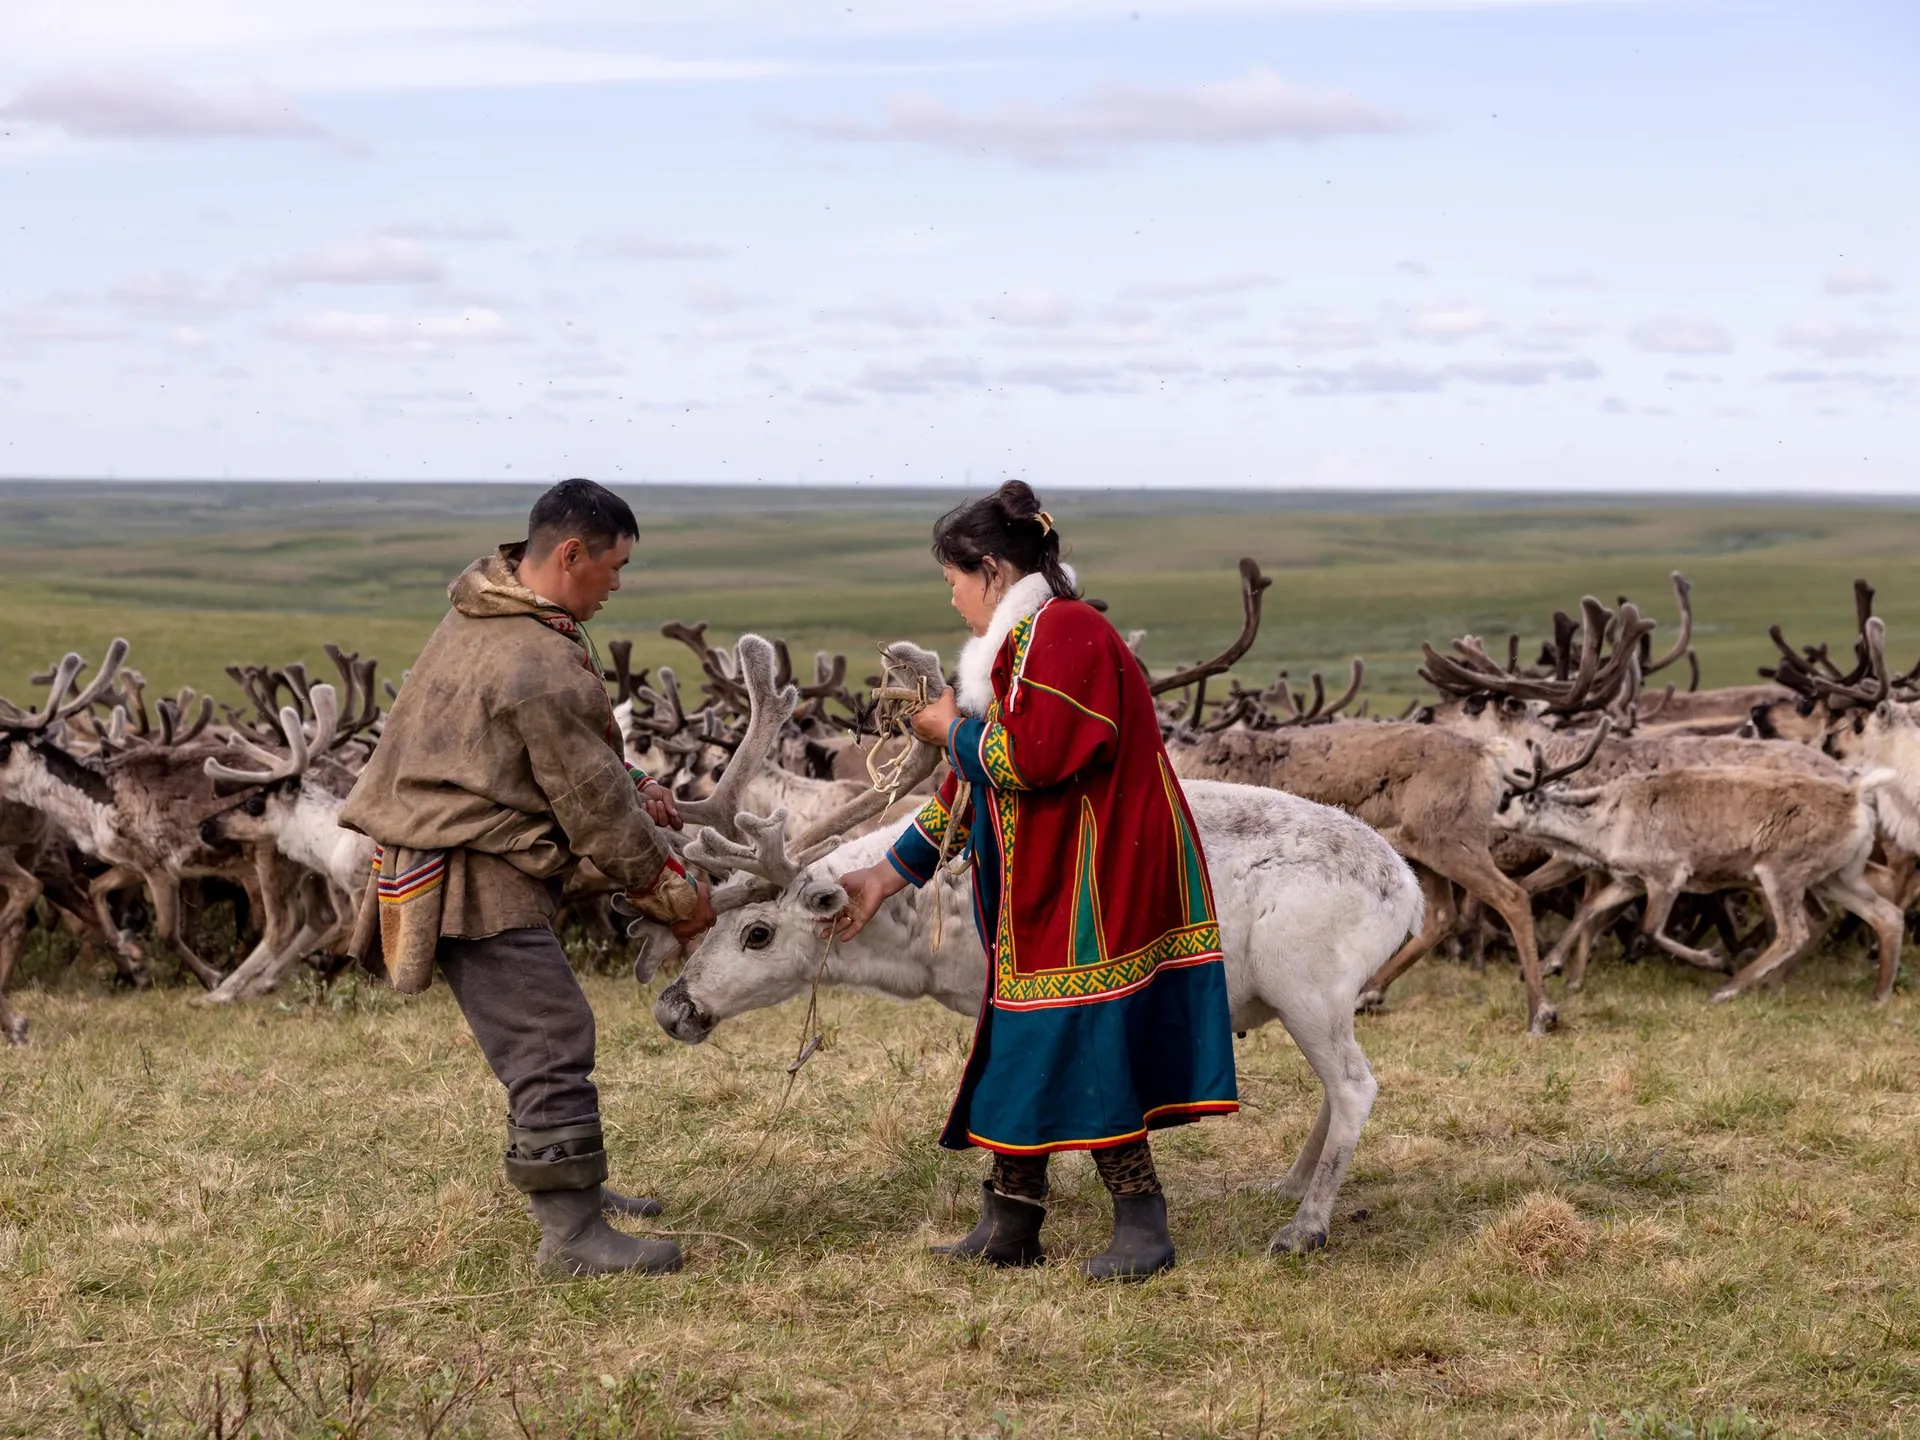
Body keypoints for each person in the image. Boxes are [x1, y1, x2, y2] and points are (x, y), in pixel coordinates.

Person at [831, 481, 1238, 1280]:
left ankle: (1142, 1227)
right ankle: (1011, 1222)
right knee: (1027, 1039)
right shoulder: (1024, 644)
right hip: (1050, 884)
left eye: (953, 583)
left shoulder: (1067, 633)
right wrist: (884, 876)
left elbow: (1029, 758)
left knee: (1084, 1039)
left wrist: (947, 725)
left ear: (989, 569)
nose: (952, 602)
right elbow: (973, 784)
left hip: (1097, 881)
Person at [341, 478, 714, 1278]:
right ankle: (573, 1238)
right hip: (476, 871)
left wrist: (630, 776)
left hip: (460, 848)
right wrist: (677, 899)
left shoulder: (488, 613)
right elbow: (596, 814)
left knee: (540, 1033)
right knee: (549, 1037)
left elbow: (556, 756)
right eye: (613, 567)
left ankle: (579, 1192)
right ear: (571, 554)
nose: (618, 584)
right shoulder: (538, 657)